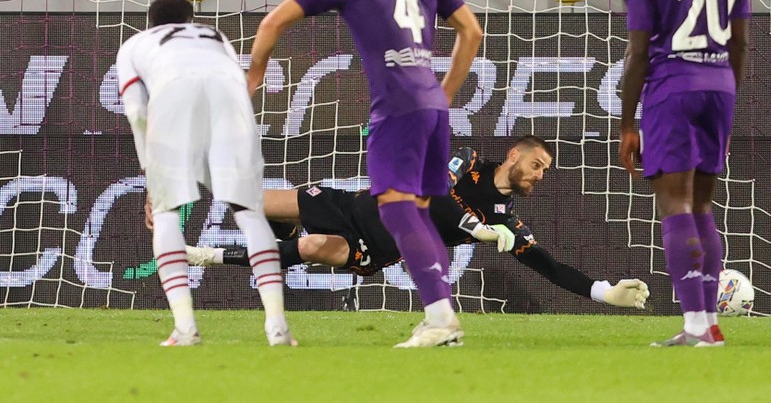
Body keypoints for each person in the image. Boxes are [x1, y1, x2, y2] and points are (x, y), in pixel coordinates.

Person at [247, 0, 483, 348]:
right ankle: (442, 319)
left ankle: (441, 319)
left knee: (395, 211)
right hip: (432, 106)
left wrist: (253, 75)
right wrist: (446, 91)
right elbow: (471, 31)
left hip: (395, 108)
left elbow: (272, 23)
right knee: (418, 212)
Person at [185, 137, 650, 309]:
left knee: (310, 250)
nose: (540, 173)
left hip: (379, 244)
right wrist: (476, 228)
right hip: (356, 204)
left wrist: (603, 291)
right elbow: (434, 192)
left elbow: (551, 267)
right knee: (250, 200)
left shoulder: (507, 223)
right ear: (514, 154)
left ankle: (211, 255)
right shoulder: (465, 161)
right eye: (537, 163)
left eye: (546, 170)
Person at [619, 0, 750, 347]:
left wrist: (627, 122)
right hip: (719, 85)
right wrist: (728, 103)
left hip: (673, 86)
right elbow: (740, 45)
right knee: (703, 205)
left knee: (674, 203)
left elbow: (637, 53)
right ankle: (711, 325)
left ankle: (695, 325)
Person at [116, 0, 294, 347]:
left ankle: (185, 328)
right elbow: (239, 83)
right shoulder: (214, 35)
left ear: (151, 22)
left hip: (173, 97)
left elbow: (137, 112)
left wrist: (152, 176)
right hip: (231, 99)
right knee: (250, 213)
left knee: (167, 214)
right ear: (190, 19)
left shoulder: (135, 44)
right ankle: (278, 328)